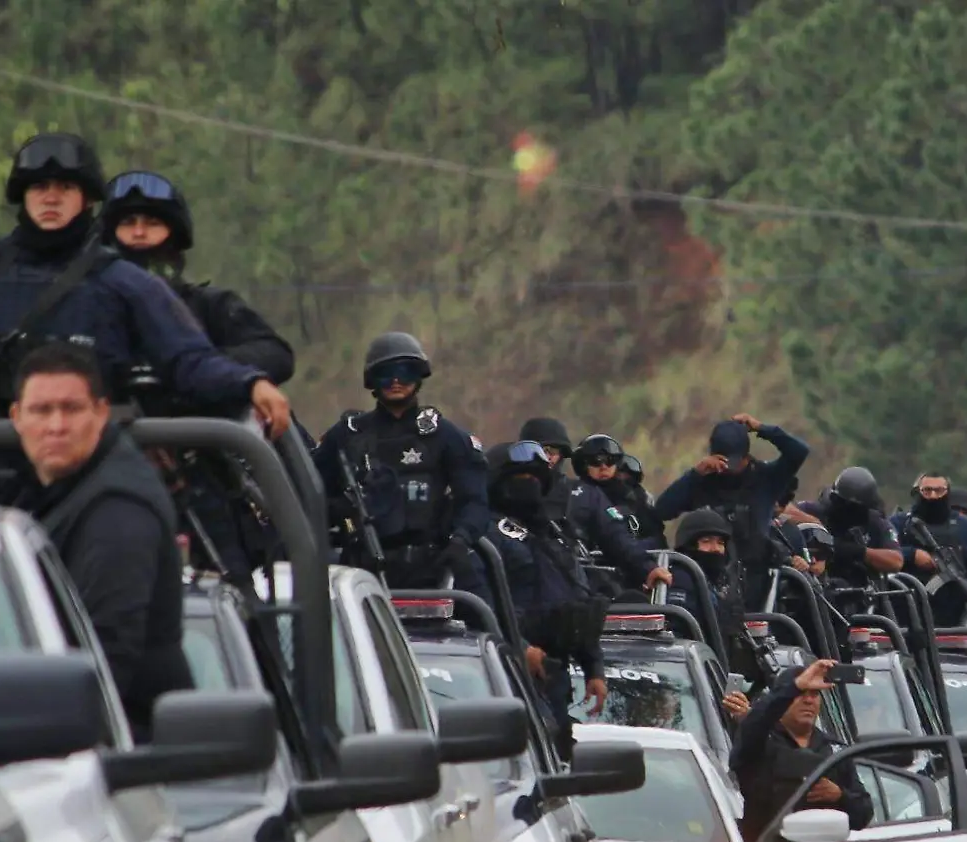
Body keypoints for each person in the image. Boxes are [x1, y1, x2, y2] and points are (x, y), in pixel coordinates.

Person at [0, 133, 290, 435]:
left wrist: (250, 384)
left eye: (65, 187)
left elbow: (190, 361)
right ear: (24, 195)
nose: (51, 198)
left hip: (98, 456)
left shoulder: (126, 283)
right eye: (40, 186)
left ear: (87, 199)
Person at [6, 341, 191, 740]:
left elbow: (106, 653)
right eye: (41, 410)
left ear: (101, 413)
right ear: (17, 417)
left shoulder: (118, 510)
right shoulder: (55, 493)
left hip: (121, 755)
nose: (56, 426)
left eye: (71, 409)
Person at [314, 333, 489, 596]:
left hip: (434, 570)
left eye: (405, 372)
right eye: (386, 373)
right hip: (363, 574)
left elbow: (474, 499)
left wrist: (461, 539)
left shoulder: (445, 435)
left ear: (419, 377)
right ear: (372, 381)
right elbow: (310, 490)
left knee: (487, 618)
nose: (396, 381)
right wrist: (341, 509)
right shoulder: (347, 436)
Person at [101, 170, 295, 386]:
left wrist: (200, 366)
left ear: (174, 234)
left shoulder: (211, 306)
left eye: (152, 223)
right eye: (128, 222)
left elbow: (275, 354)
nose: (139, 232)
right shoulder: (91, 306)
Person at [485, 441, 610, 757]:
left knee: (556, 754)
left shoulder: (553, 532)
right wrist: (519, 648)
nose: (530, 484)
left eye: (536, 478)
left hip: (553, 673)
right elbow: (480, 601)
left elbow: (576, 601)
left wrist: (594, 667)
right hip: (502, 674)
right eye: (521, 477)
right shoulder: (485, 535)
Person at [651, 413, 809, 607]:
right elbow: (662, 510)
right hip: (709, 579)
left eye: (737, 460)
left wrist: (761, 429)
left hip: (756, 578)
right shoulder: (703, 482)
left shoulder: (766, 478)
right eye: (726, 461)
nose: (731, 468)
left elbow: (798, 452)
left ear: (746, 456)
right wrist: (694, 475)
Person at [729, 659, 874, 842]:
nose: (808, 700)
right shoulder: (760, 743)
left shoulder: (834, 750)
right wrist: (794, 686)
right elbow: (756, 722)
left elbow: (864, 813)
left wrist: (839, 796)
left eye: (815, 694)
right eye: (800, 694)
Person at [560, 433, 669, 596]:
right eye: (595, 461)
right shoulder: (575, 494)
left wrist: (645, 562)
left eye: (609, 460)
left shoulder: (634, 498)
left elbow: (654, 538)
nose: (603, 466)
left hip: (633, 571)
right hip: (586, 574)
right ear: (584, 465)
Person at [890, 472, 967, 626]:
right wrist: (912, 555)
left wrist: (962, 552)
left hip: (952, 611)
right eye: (927, 491)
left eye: (939, 491)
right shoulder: (901, 523)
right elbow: (881, 552)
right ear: (918, 492)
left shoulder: (962, 525)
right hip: (907, 606)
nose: (933, 496)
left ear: (948, 492)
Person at [796, 467, 905, 592]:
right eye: (842, 503)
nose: (846, 510)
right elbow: (783, 510)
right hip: (816, 584)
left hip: (858, 588)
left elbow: (896, 561)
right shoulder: (818, 510)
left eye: (853, 507)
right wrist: (817, 528)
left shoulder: (875, 522)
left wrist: (857, 551)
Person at [665, 508, 732, 632]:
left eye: (720, 542)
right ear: (689, 545)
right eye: (706, 541)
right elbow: (680, 630)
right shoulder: (682, 579)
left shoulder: (719, 582)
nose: (716, 548)